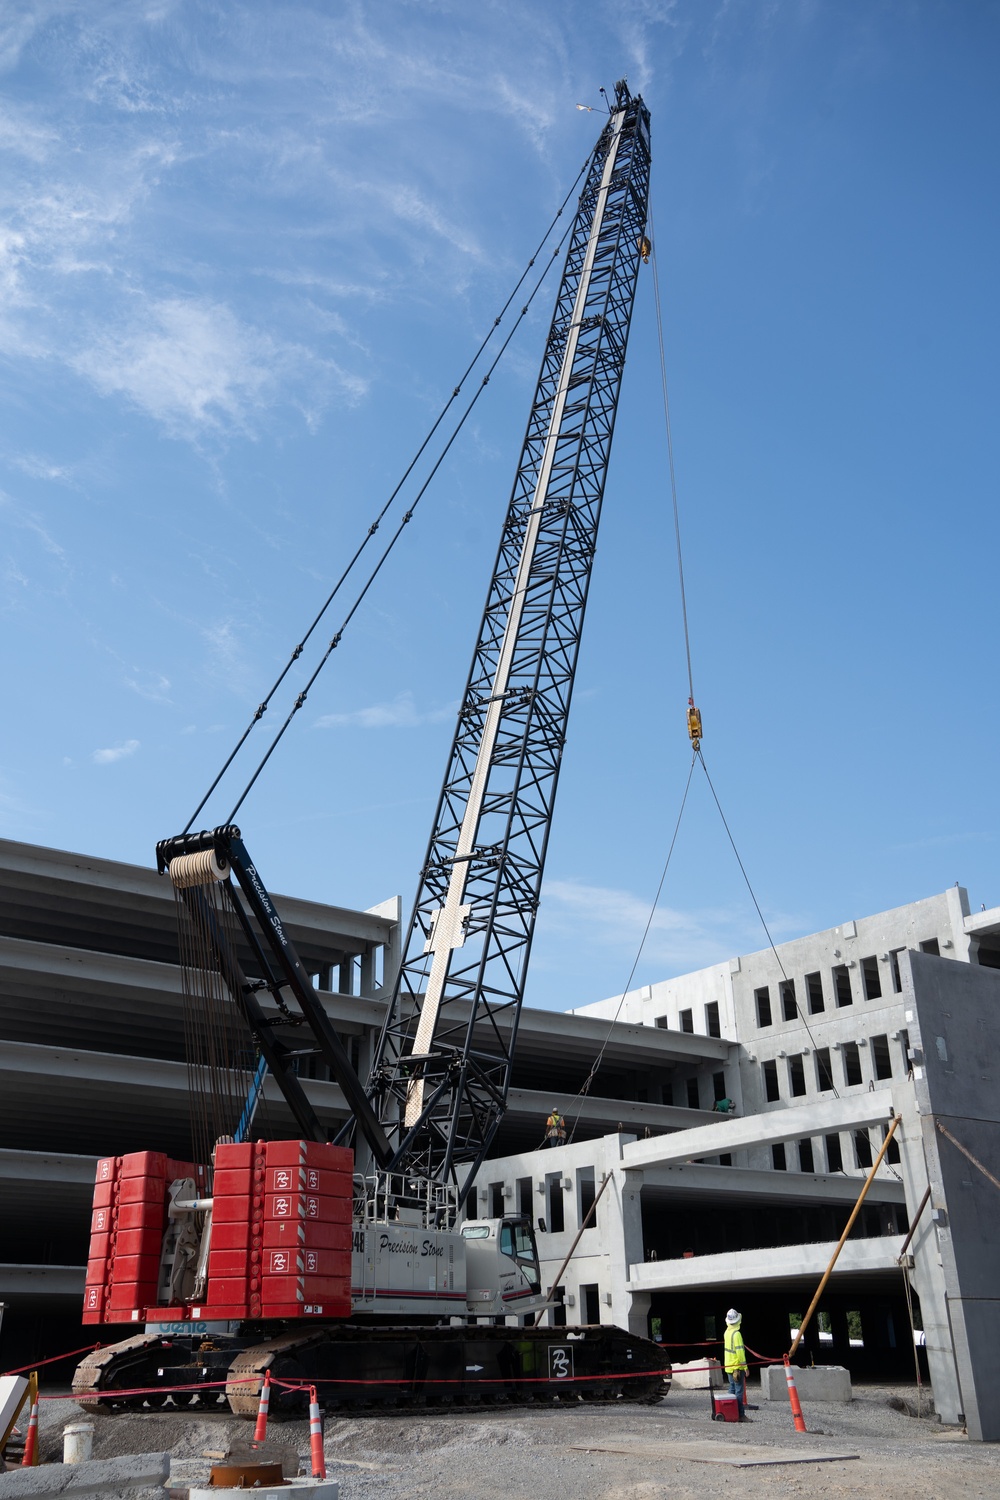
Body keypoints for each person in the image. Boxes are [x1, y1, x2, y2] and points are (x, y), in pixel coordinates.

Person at [724, 1307, 750, 1420]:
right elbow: (740, 1353)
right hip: (737, 1368)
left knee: (731, 1390)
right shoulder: (737, 1334)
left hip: (729, 1367)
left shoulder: (727, 1332)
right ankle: (740, 1415)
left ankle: (729, 1412)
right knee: (739, 1391)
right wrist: (745, 1367)